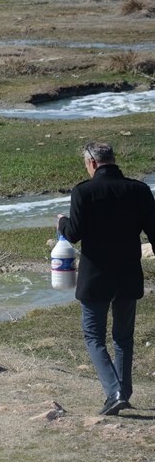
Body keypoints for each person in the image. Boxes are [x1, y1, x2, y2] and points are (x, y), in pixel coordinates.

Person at [57, 142, 155, 416]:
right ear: (113, 160)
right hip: (129, 274)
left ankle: (115, 393)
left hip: (96, 276)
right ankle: (124, 392)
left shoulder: (83, 191)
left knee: (93, 336)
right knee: (123, 337)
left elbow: (74, 233)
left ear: (91, 163)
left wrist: (62, 222)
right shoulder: (139, 189)